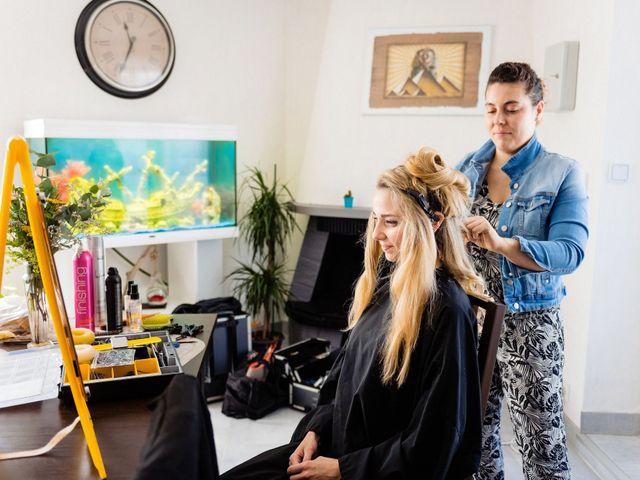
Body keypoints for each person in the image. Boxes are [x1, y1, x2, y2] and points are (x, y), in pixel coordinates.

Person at [221, 148, 484, 479]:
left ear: (433, 223)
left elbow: (435, 442)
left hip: (369, 470)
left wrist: (343, 470)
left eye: (391, 222)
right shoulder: (386, 287)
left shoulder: (446, 311)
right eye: (376, 219)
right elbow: (340, 381)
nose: (376, 234)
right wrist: (316, 430)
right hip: (336, 449)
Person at [457, 62, 589, 479]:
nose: (499, 120)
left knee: (542, 447)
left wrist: (501, 243)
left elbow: (570, 252)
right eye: (491, 108)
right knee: (475, 440)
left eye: (512, 108)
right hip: (473, 322)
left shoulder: (562, 172)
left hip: (532, 328)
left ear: (538, 110)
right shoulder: (466, 168)